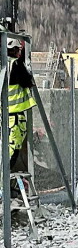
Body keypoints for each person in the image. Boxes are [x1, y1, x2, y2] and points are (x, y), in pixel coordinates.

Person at [7, 39, 36, 172]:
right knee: (11, 153)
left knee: (5, 150)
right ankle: (3, 188)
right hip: (15, 116)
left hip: (5, 115)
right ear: (13, 50)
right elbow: (27, 81)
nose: (19, 53)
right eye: (18, 50)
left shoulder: (4, 64)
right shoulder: (15, 65)